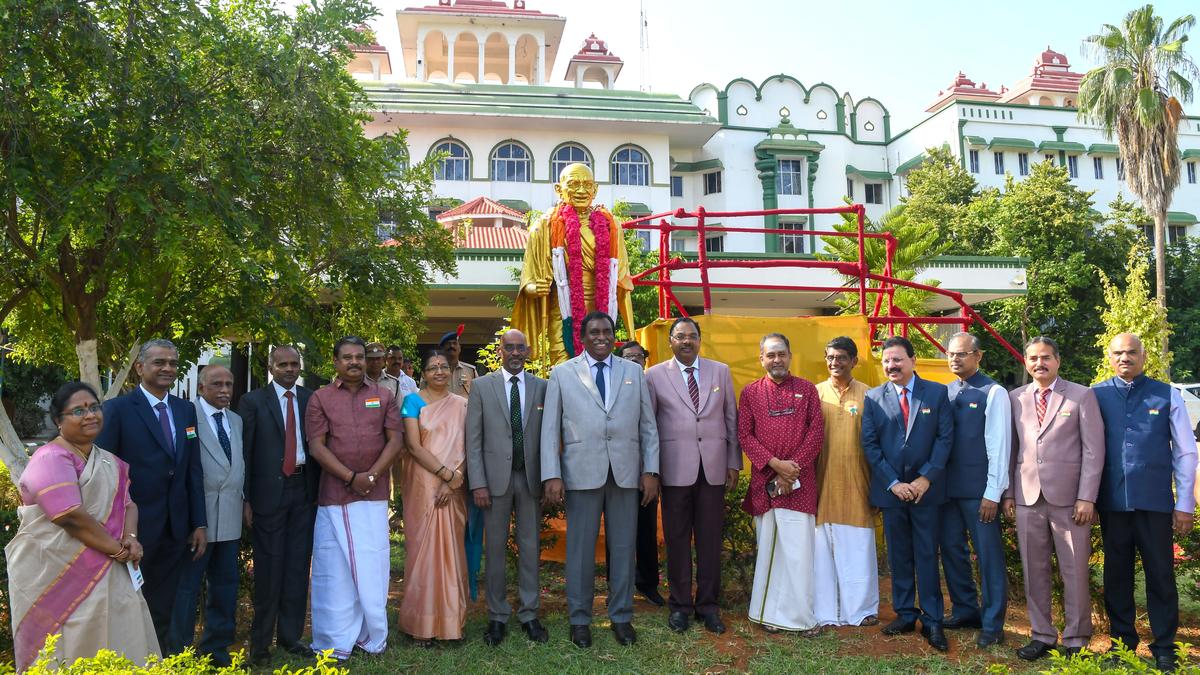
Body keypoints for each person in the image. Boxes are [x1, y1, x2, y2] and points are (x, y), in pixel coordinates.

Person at [7, 382, 159, 671]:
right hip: (58, 577)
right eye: (78, 411)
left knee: (118, 640)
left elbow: (129, 504)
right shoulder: (50, 458)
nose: (90, 415)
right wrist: (118, 550)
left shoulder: (109, 460)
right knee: (69, 646)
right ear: (58, 421)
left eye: (94, 408)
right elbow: (70, 516)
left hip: (111, 570)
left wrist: (131, 538)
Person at [541, 311, 660, 649]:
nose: (601, 337)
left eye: (607, 331)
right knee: (579, 551)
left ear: (614, 335)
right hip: (581, 474)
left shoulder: (633, 372)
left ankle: (621, 616)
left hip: (625, 475)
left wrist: (651, 471)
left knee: (623, 548)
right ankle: (580, 619)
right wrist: (551, 473)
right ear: (583, 336)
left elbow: (648, 426)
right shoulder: (562, 374)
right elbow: (550, 428)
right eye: (594, 332)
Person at [1093, 333, 1198, 673]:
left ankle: (1165, 647)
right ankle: (1122, 643)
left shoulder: (1167, 394)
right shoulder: (1095, 395)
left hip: (1154, 503)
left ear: (1144, 355)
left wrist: (1184, 503)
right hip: (1111, 502)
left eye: (1132, 352)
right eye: (1118, 353)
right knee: (1116, 576)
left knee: (1161, 575)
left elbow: (1185, 452)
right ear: (1109, 357)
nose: (1125, 357)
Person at [95, 339, 207, 654]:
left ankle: (158, 661)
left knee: (163, 604)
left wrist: (199, 522)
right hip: (133, 531)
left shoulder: (186, 410)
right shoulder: (116, 409)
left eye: (172, 363)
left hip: (176, 528)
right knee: (127, 604)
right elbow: (106, 474)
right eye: (159, 362)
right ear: (140, 367)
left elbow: (192, 471)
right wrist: (115, 528)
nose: (167, 368)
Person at [1002, 336, 1104, 661]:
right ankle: (1042, 635)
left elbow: (1093, 450)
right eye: (1033, 358)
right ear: (1026, 362)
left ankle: (1076, 638)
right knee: (1035, 569)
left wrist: (1087, 497)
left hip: (1071, 501)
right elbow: (1011, 450)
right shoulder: (1015, 398)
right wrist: (1008, 493)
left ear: (1058, 360)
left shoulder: (1081, 395)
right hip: (1027, 497)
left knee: (1074, 571)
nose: (1039, 363)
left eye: (1046, 357)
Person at [306, 336, 404, 660]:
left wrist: (372, 476)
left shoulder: (384, 396)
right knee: (334, 571)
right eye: (347, 357)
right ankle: (335, 640)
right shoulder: (320, 398)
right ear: (335, 362)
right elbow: (317, 447)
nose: (354, 362)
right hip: (335, 496)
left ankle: (372, 635)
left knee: (371, 565)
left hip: (373, 496)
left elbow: (395, 441)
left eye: (359, 357)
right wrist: (350, 477)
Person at [645, 318, 739, 634]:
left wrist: (733, 462)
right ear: (670, 341)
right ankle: (681, 606)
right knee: (677, 541)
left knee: (711, 541)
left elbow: (730, 419)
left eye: (692, 336)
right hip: (673, 472)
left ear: (700, 340)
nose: (687, 341)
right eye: (680, 336)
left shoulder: (720, 371)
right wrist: (652, 471)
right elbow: (650, 428)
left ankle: (709, 606)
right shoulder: (654, 375)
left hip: (712, 470)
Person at [861, 335, 954, 652]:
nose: (891, 365)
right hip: (892, 492)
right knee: (899, 556)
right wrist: (893, 483)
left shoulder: (937, 393)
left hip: (927, 492)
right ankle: (904, 613)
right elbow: (871, 446)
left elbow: (944, 440)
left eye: (897, 359)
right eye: (886, 360)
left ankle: (932, 620)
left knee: (927, 554)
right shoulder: (873, 398)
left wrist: (925, 479)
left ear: (913, 361)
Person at [466, 329, 549, 647]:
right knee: (496, 550)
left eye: (520, 348)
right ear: (500, 351)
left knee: (530, 549)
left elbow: (549, 434)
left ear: (528, 352)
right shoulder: (482, 387)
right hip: (493, 481)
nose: (515, 352)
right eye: (509, 347)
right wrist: (479, 483)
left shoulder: (542, 387)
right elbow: (472, 441)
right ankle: (497, 616)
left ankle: (530, 614)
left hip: (530, 479)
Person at [238, 345, 319, 666]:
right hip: (267, 494)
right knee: (269, 568)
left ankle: (290, 636)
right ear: (271, 367)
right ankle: (260, 644)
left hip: (303, 490)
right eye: (282, 364)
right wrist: (246, 498)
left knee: (298, 566)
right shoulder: (252, 401)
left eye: (294, 364)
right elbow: (244, 452)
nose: (289, 369)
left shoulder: (311, 399)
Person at [739, 333, 824, 635]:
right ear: (761, 358)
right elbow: (744, 435)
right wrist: (776, 467)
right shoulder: (750, 393)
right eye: (771, 355)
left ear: (790, 356)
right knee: (770, 550)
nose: (777, 360)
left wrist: (792, 472)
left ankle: (800, 618)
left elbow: (816, 434)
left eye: (782, 354)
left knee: (799, 553)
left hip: (801, 485)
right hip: (766, 483)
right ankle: (769, 615)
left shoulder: (808, 390)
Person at [511, 163, 637, 363]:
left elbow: (621, 279)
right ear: (559, 189)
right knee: (563, 368)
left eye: (587, 185)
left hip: (601, 306)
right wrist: (535, 287)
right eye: (573, 184)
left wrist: (632, 334)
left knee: (599, 365)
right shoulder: (545, 225)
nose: (581, 190)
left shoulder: (611, 225)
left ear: (595, 189)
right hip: (561, 308)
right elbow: (530, 278)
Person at [938, 333, 1012, 649]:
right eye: (951, 354)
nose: (955, 359)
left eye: (962, 354)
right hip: (947, 491)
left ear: (978, 356)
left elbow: (999, 444)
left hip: (979, 493)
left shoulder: (993, 392)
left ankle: (993, 622)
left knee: (989, 558)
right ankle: (966, 610)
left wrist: (993, 492)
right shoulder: (946, 391)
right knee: (952, 551)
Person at [170, 365, 244, 667]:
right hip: (197, 518)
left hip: (230, 514)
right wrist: (191, 519)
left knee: (225, 585)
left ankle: (216, 649)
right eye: (217, 384)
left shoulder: (236, 420)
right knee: (187, 587)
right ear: (201, 388)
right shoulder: (188, 417)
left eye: (229, 383)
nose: (224, 390)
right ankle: (180, 651)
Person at [399, 350, 471, 645]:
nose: (439, 371)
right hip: (422, 484)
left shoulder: (463, 404)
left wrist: (454, 480)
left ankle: (451, 623)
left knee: (451, 551)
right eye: (433, 368)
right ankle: (421, 625)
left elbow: (469, 446)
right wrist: (444, 474)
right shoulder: (412, 401)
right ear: (424, 373)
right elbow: (413, 446)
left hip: (453, 484)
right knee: (423, 552)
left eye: (443, 367)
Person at [813, 336, 880, 628]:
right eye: (830, 357)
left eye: (841, 357)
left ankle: (862, 610)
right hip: (822, 484)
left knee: (859, 550)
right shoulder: (815, 394)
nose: (834, 363)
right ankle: (826, 611)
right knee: (822, 551)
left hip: (858, 485)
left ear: (855, 361)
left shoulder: (871, 396)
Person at [611, 340, 664, 608]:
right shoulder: (613, 383)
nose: (633, 360)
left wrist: (651, 470)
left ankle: (647, 584)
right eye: (627, 356)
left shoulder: (655, 384)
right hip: (616, 470)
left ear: (645, 360)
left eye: (638, 356)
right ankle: (616, 585)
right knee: (616, 532)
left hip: (647, 470)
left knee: (646, 530)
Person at [436, 327, 477, 396]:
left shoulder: (471, 371)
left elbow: (477, 395)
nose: (452, 346)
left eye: (455, 343)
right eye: (448, 344)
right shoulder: (432, 370)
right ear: (442, 349)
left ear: (460, 348)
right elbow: (423, 397)